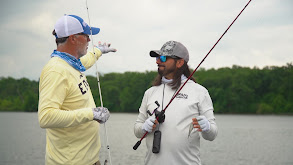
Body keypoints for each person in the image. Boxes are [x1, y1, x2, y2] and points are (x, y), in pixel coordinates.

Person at [38, 14, 116, 165]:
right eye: (86, 35)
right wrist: (91, 114)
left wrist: (98, 51)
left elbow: (84, 62)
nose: (89, 40)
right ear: (73, 38)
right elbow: (46, 117)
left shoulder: (71, 65)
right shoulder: (56, 70)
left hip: (89, 160)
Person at [134, 41, 218, 165]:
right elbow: (137, 131)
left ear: (179, 62)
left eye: (163, 58)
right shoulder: (149, 93)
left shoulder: (200, 92)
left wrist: (207, 128)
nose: (157, 61)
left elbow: (212, 135)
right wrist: (144, 127)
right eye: (157, 57)